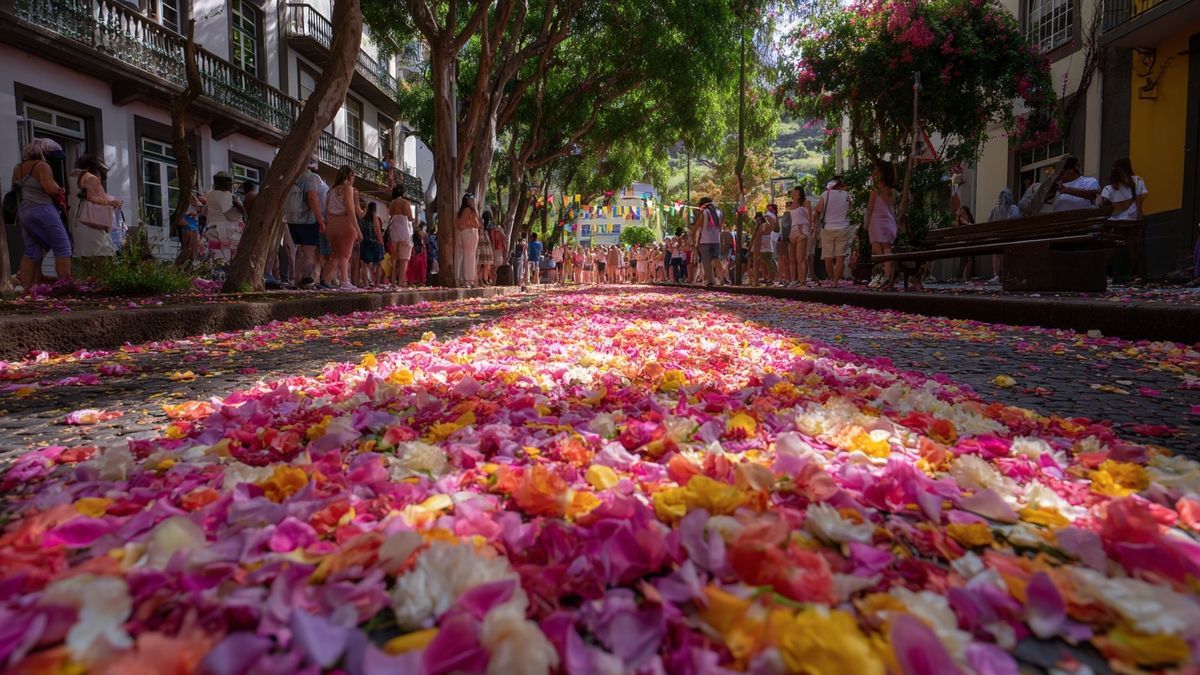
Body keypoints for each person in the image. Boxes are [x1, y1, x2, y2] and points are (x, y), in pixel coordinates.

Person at [11, 139, 70, 289]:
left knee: (32, 249)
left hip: (24, 211)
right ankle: (66, 286)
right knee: (63, 247)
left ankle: (28, 289)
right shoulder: (42, 166)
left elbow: (15, 188)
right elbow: (49, 188)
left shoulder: (18, 167)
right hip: (43, 209)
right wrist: (59, 189)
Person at [1099, 158, 1149, 281]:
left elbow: (1102, 205)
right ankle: (1135, 274)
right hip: (1131, 221)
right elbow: (1139, 201)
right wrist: (1139, 217)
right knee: (1134, 247)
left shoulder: (1108, 188)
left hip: (1115, 222)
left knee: (1112, 247)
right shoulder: (1137, 181)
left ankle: (1106, 274)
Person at [284, 158, 328, 287]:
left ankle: (297, 278)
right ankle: (307, 279)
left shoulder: (291, 178)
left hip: (292, 219)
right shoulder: (310, 178)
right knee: (309, 251)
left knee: (299, 249)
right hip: (308, 220)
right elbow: (312, 198)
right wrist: (321, 220)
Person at [321, 165, 364, 290]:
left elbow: (327, 210)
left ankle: (326, 280)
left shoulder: (331, 191)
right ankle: (345, 281)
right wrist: (358, 230)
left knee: (335, 254)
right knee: (345, 254)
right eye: (353, 175)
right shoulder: (347, 189)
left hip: (332, 224)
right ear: (347, 176)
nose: (354, 178)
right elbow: (351, 211)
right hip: (344, 223)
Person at [68, 154, 119, 261]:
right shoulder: (91, 178)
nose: (100, 178)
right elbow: (91, 198)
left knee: (84, 257)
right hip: (92, 223)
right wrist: (110, 203)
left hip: (77, 221)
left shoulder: (73, 176)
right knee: (101, 255)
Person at [864, 160, 898, 290]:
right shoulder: (891, 191)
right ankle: (887, 275)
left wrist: (866, 225)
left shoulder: (876, 191)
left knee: (877, 250)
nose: (874, 172)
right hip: (889, 221)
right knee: (887, 248)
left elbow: (869, 208)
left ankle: (884, 275)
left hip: (875, 221)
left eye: (876, 170)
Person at [815, 177, 853, 287]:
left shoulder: (825, 194)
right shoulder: (847, 195)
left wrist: (815, 225)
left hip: (827, 228)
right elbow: (850, 208)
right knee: (840, 256)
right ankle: (836, 281)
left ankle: (833, 280)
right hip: (843, 227)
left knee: (828, 257)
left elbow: (818, 210)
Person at [202, 171, 246, 264]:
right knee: (230, 261)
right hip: (228, 232)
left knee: (216, 259)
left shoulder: (209, 194)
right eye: (230, 185)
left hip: (212, 230)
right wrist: (240, 207)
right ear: (226, 185)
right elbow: (232, 216)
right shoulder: (227, 196)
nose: (230, 187)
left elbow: (204, 212)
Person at [985, 189, 1020, 284]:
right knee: (1009, 252)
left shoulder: (995, 210)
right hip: (1010, 238)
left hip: (997, 238)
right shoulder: (1014, 208)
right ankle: (1009, 274)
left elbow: (989, 222)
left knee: (996, 254)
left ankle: (996, 275)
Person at [689, 197, 722, 287]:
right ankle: (719, 277)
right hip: (716, 239)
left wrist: (693, 238)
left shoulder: (704, 212)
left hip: (705, 240)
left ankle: (709, 280)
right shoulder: (719, 212)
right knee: (715, 258)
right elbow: (720, 226)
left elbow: (695, 227)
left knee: (706, 261)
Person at [387, 186, 414, 286]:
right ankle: (401, 282)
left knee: (394, 258)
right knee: (404, 259)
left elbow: (390, 215)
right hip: (404, 231)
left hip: (394, 231)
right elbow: (410, 218)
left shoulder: (391, 204)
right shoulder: (405, 203)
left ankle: (393, 281)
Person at [455, 193, 481, 287]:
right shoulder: (470, 210)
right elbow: (477, 224)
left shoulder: (460, 211)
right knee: (470, 256)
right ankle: (469, 280)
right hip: (470, 233)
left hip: (462, 233)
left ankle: (461, 279)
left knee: (463, 256)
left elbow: (458, 224)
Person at [789, 187, 813, 287]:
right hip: (793, 230)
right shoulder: (791, 204)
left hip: (802, 229)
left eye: (794, 191)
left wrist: (808, 230)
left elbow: (810, 217)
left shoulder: (806, 203)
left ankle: (802, 279)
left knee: (801, 258)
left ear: (799, 193)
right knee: (792, 259)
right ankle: (794, 280)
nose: (792, 193)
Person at [359, 201, 385, 287]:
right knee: (379, 264)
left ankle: (366, 284)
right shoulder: (374, 218)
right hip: (374, 242)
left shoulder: (362, 218)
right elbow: (377, 231)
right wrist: (382, 243)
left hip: (364, 243)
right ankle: (376, 284)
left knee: (364, 264)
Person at [954, 206, 977, 281]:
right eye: (961, 212)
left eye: (963, 212)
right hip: (964, 242)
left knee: (966, 258)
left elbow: (973, 228)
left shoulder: (969, 218)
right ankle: (965, 275)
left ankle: (962, 275)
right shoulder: (960, 219)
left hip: (970, 242)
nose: (962, 213)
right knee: (966, 258)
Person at [477, 212, 495, 285]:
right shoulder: (487, 227)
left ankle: (479, 279)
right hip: (486, 245)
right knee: (486, 264)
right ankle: (484, 279)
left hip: (481, 244)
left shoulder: (480, 223)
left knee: (480, 263)